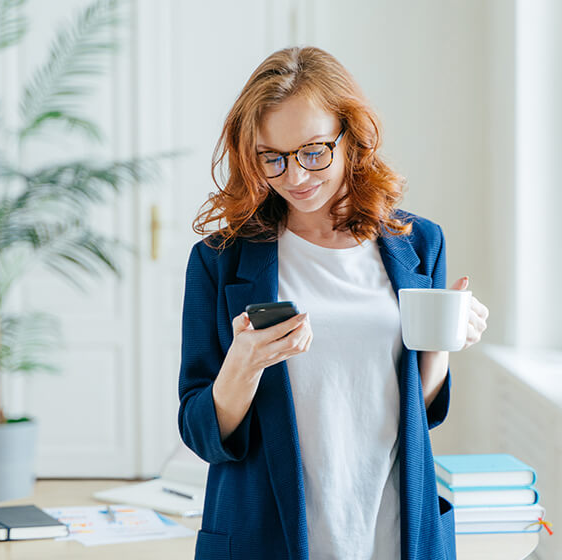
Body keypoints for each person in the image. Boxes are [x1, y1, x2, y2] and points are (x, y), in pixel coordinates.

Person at [178, 46, 489, 560]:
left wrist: (444, 342)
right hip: (268, 534)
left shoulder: (418, 243)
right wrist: (244, 364)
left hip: (393, 528)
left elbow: (422, 410)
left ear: (353, 134)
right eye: (271, 157)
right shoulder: (221, 261)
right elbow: (202, 434)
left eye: (314, 151)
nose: (295, 176)